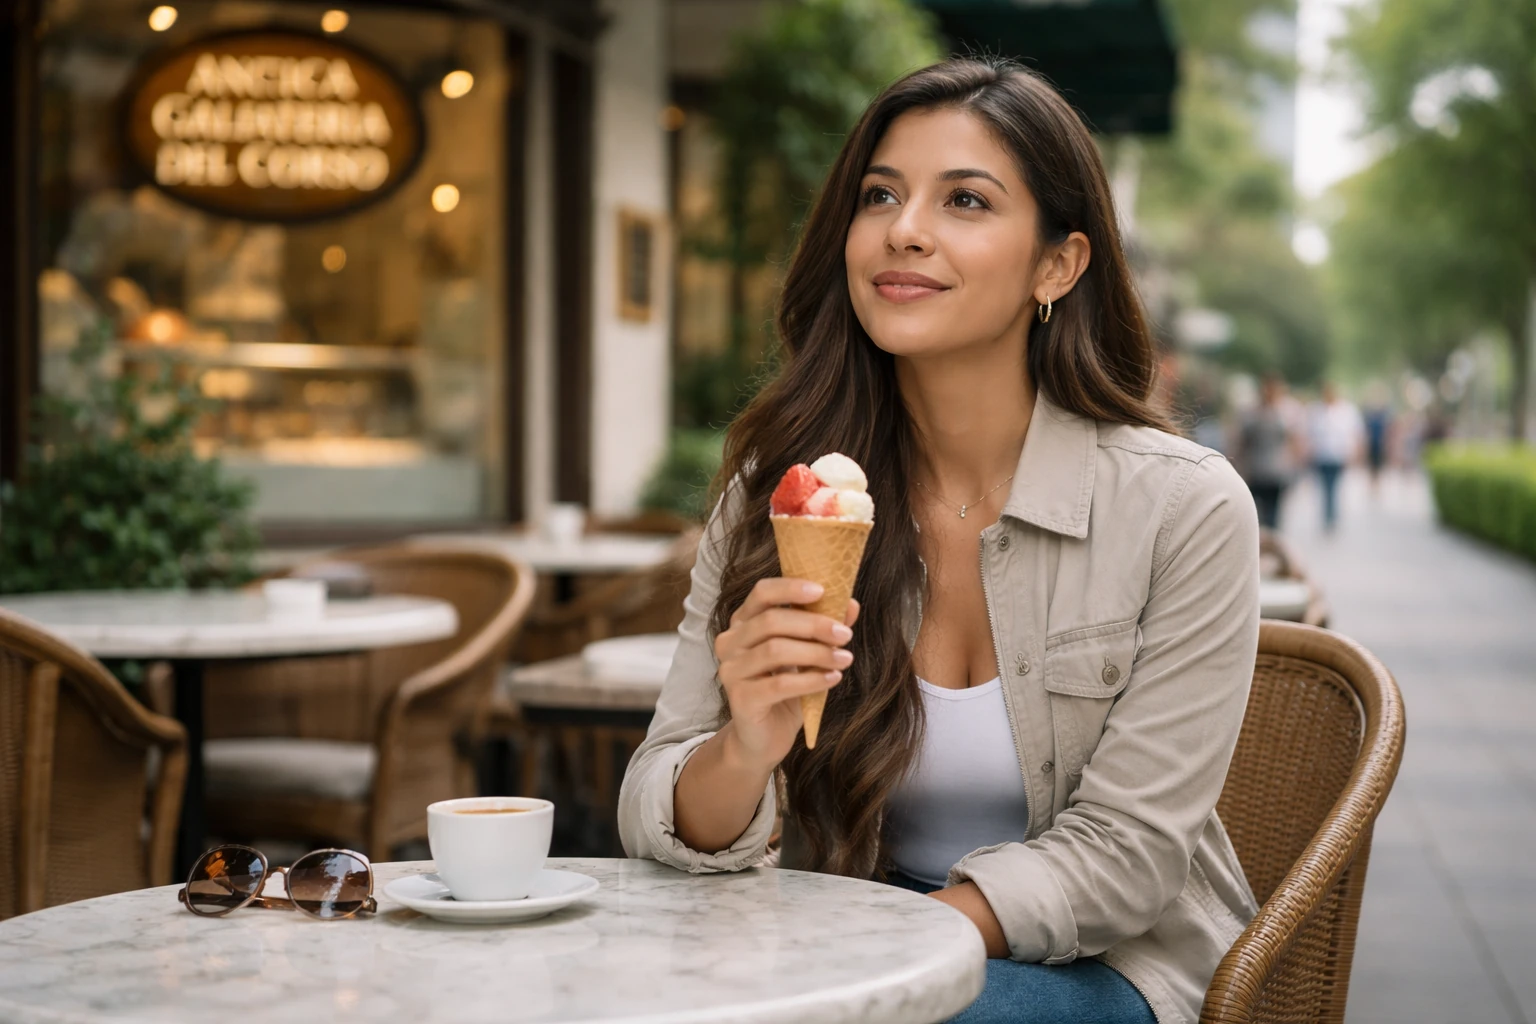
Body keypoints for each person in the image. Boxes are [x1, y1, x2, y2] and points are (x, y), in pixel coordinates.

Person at [618, 58, 1260, 1024]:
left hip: (1100, 961)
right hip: (834, 933)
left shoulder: (1183, 507)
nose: (904, 229)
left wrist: (885, 946)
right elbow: (652, 808)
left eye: (966, 200)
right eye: (880, 195)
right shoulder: (783, 495)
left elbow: (1126, 858)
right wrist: (744, 747)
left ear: (1057, 265)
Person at [1233, 374, 1302, 530]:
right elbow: (1242, 441)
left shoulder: (1285, 413)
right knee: (1258, 514)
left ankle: (1270, 537)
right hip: (1256, 470)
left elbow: (1294, 441)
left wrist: (1296, 465)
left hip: (1276, 471)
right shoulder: (1252, 413)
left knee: (1272, 514)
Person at [1307, 382, 1364, 531]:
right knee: (1325, 488)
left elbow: (1356, 433)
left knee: (1334, 487)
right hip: (1321, 456)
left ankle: (1332, 516)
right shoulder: (1316, 410)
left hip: (1339, 455)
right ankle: (1328, 516)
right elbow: (1309, 434)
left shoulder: (1347, 410)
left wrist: (1356, 453)